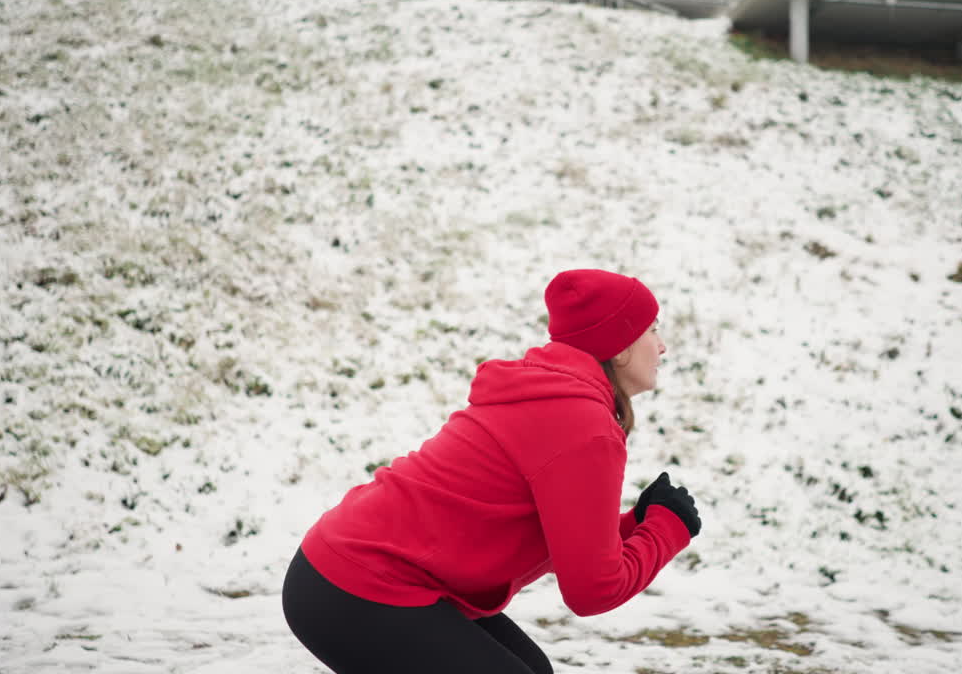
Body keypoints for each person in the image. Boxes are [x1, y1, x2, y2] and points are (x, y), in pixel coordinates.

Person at [281, 269, 703, 674]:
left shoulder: (551, 398)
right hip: (356, 586)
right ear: (620, 343)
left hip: (343, 572)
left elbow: (564, 540)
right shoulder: (583, 426)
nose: (662, 345)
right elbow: (594, 590)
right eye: (651, 329)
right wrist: (667, 528)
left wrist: (634, 526)